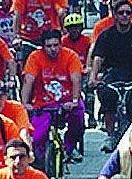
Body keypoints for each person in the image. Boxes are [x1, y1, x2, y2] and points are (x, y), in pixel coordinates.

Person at [89, 0, 132, 152]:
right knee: (107, 97)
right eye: (121, 13)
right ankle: (110, 135)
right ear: (115, 15)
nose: (125, 16)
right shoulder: (106, 35)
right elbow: (98, 58)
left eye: (128, 13)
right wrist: (93, 77)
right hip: (113, 76)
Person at [20, 28, 84, 169]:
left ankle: (69, 148)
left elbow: (76, 79)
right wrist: (24, 103)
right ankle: (41, 164)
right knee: (37, 138)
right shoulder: (35, 57)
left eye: (56, 45)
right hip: (43, 104)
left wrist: (74, 101)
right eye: (49, 46)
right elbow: (28, 80)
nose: (53, 49)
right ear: (43, 47)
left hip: (67, 102)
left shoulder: (70, 56)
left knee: (78, 116)